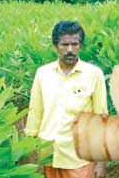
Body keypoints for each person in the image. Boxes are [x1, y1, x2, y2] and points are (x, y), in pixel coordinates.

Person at [25, 20, 108, 178]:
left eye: (74, 44)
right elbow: (34, 116)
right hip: (49, 154)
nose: (70, 50)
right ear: (55, 46)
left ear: (80, 45)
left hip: (79, 157)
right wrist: (31, 160)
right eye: (64, 45)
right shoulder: (43, 74)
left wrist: (101, 164)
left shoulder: (94, 74)